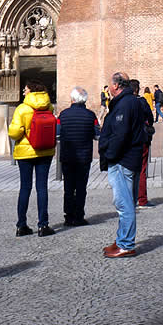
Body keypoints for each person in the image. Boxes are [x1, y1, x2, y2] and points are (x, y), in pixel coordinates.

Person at [98, 70, 147, 256]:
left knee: (124, 204)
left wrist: (110, 154)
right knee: (127, 203)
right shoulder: (131, 101)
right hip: (129, 159)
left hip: (122, 160)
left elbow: (121, 134)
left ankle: (126, 244)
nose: (109, 88)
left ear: (116, 85)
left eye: (110, 84)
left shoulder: (124, 104)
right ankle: (121, 239)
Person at [8, 79, 57, 237]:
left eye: (25, 89)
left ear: (31, 91)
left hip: (25, 153)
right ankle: (43, 225)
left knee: (25, 188)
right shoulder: (49, 106)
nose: (23, 92)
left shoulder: (22, 109)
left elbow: (14, 133)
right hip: (45, 151)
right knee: (42, 188)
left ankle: (21, 225)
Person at [57, 86, 101, 225]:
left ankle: (68, 216)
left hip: (67, 156)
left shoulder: (63, 115)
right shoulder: (91, 115)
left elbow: (57, 134)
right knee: (81, 187)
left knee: (68, 187)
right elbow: (97, 135)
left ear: (72, 99)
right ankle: (79, 216)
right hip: (84, 156)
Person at [130, 78, 155, 206]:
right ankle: (141, 199)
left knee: (127, 170)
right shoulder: (141, 102)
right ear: (137, 89)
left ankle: (128, 199)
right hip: (141, 139)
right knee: (141, 169)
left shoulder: (123, 102)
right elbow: (150, 118)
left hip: (127, 140)